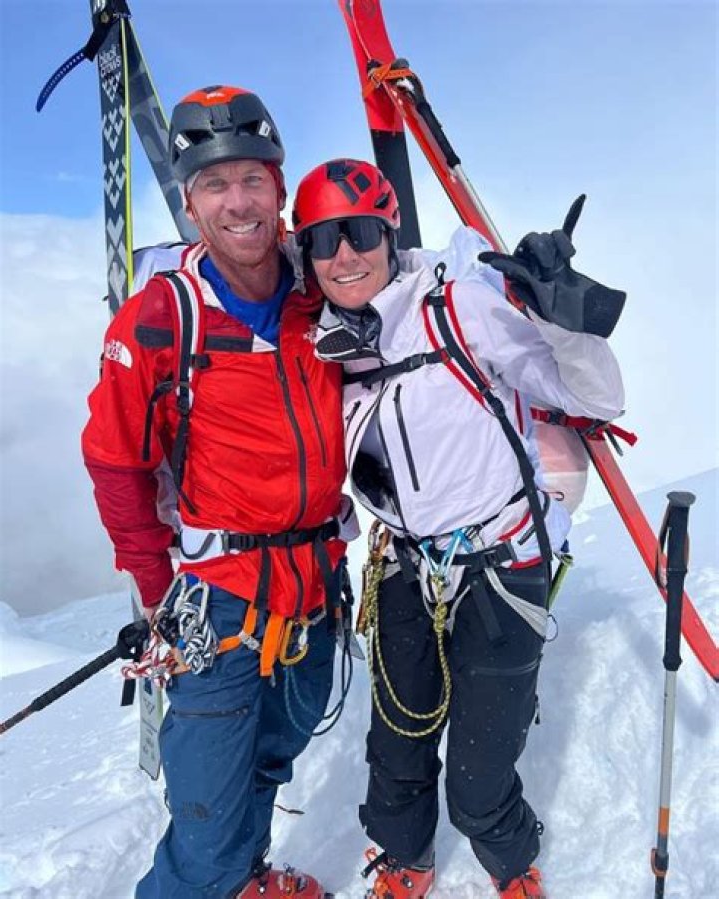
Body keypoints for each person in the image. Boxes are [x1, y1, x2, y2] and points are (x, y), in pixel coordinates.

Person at [292, 158, 626, 898]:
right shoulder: (322, 347)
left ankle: (510, 860)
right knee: (397, 741)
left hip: (503, 563)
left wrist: (559, 316)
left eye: (359, 232)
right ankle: (405, 856)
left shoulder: (457, 306)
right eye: (323, 240)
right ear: (304, 256)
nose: (343, 255)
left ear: (389, 233)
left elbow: (596, 397)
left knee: (479, 769)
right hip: (407, 566)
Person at [82, 88, 356, 899]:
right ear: (191, 203)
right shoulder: (162, 319)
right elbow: (115, 462)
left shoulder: (326, 290)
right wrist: (159, 591)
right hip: (217, 601)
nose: (238, 202)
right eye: (214, 184)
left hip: (315, 586)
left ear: (279, 187)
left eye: (252, 179)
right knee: (204, 807)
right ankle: (211, 877)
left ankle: (244, 877)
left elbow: (416, 301)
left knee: (275, 748)